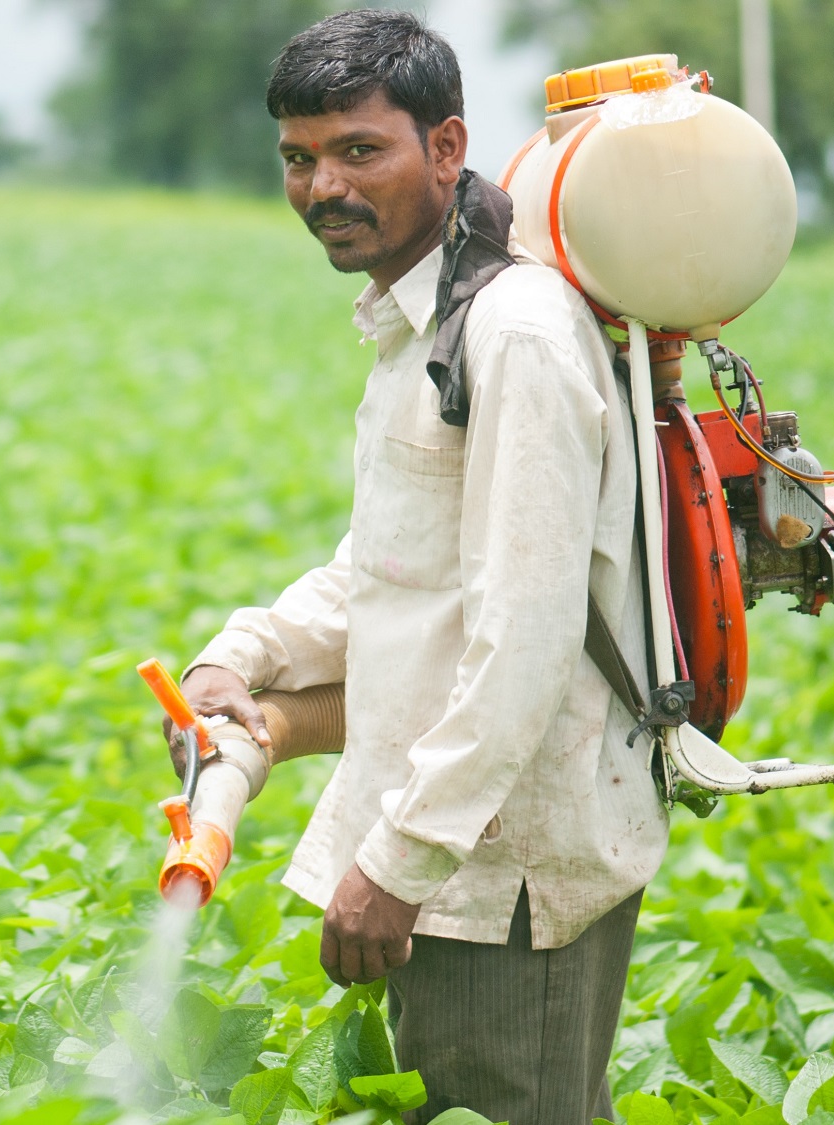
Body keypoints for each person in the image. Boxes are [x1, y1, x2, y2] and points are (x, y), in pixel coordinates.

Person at [165, 10, 668, 1124]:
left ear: (444, 148)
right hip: (455, 861)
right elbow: (388, 568)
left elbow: (525, 643)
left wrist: (396, 863)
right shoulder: (425, 317)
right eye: (298, 158)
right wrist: (240, 658)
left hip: (502, 874)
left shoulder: (512, 335)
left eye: (358, 151)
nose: (321, 188)